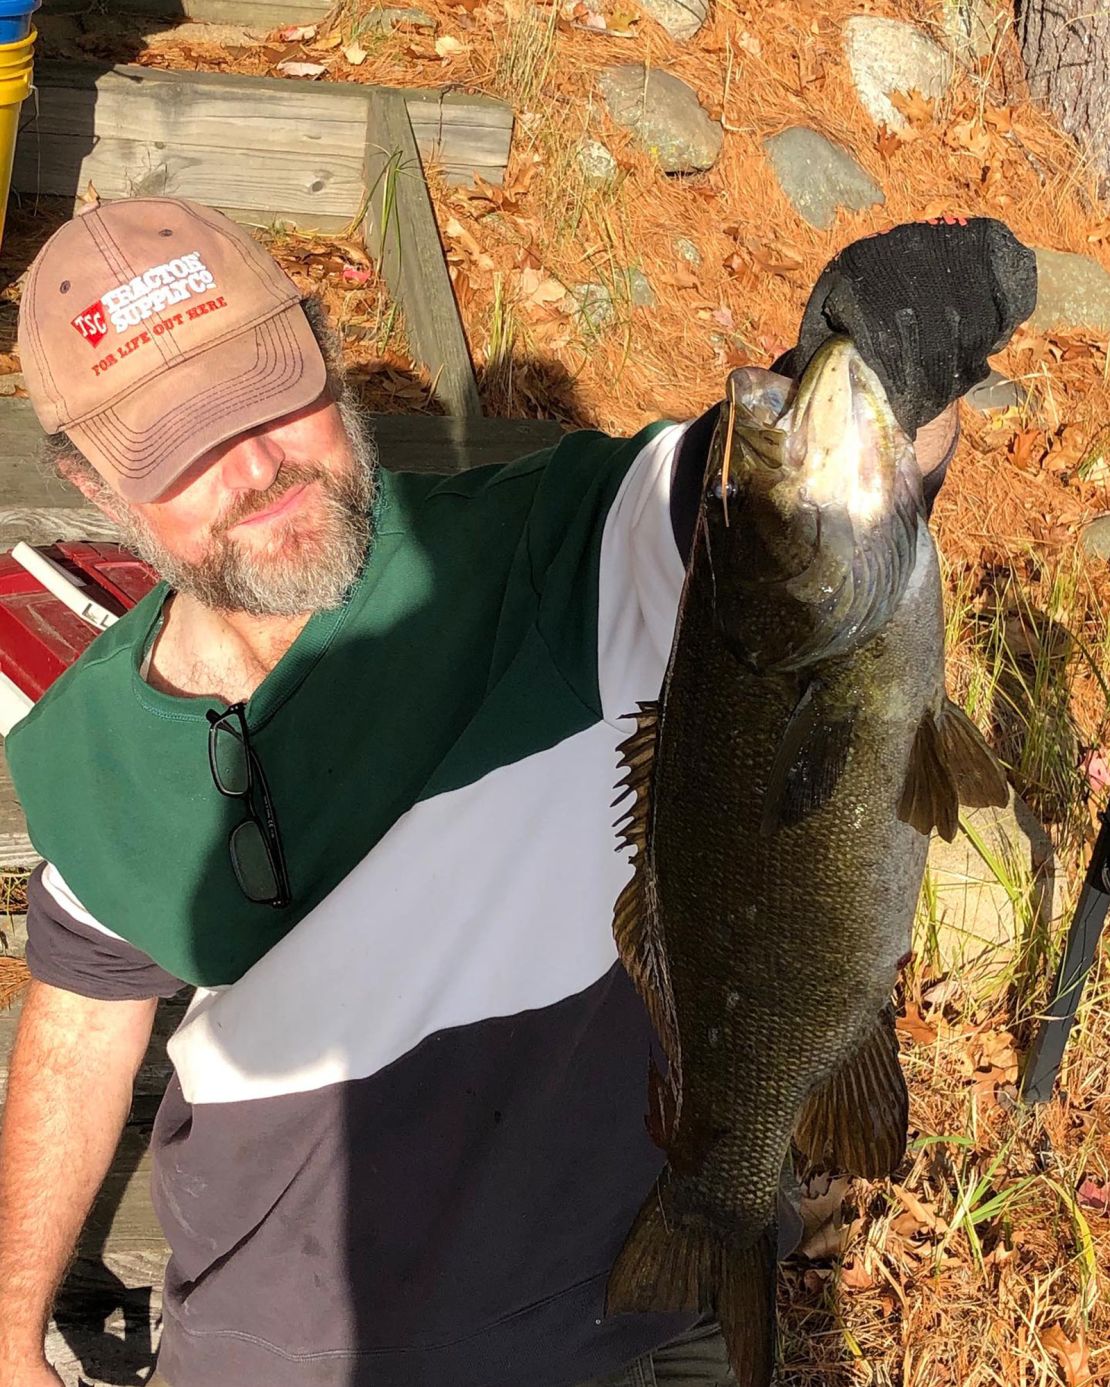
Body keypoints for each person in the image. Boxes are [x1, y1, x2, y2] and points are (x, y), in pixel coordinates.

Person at [0, 196, 1036, 1387]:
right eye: (182, 445)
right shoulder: (94, 751)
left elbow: (769, 509)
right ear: (90, 483)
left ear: (329, 352)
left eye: (270, 392)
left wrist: (890, 364)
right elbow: (80, 1028)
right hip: (277, 1348)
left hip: (619, 1311)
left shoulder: (560, 549)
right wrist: (10, 1327)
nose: (254, 466)